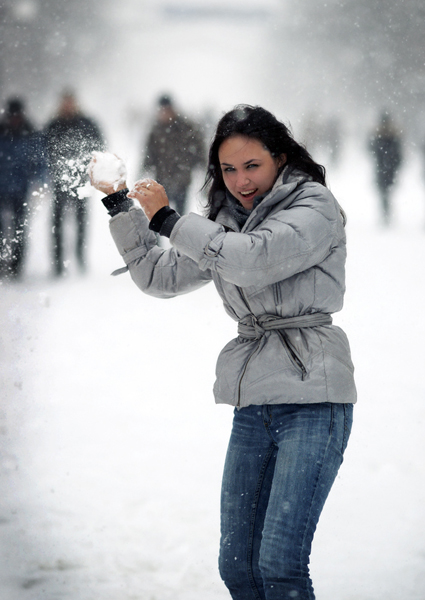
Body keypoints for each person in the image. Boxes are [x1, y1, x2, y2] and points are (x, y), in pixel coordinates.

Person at [90, 105, 356, 600]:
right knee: (237, 567)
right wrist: (121, 206)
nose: (240, 181)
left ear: (280, 157)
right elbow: (158, 276)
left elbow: (253, 260)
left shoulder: (313, 206)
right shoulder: (227, 223)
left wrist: (171, 220)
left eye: (252, 165)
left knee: (280, 566)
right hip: (253, 404)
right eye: (229, 169)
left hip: (315, 399)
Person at [44, 90, 105, 276]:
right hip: (59, 181)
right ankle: (57, 262)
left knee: (81, 223)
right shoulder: (54, 125)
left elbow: (100, 147)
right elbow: (42, 150)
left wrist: (94, 170)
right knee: (57, 224)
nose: (68, 106)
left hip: (81, 182)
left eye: (70, 102)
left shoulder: (87, 123)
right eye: (65, 102)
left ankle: (80, 257)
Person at [0, 97, 44, 279]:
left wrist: (40, 182)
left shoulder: (31, 132)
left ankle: (17, 265)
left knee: (20, 228)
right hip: (2, 187)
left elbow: (40, 161)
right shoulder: (3, 132)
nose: (15, 119)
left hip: (22, 188)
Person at [142, 94, 206, 214]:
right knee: (161, 215)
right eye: (162, 110)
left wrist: (201, 165)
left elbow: (199, 149)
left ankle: (178, 233)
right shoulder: (156, 131)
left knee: (180, 217)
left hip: (182, 181)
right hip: (162, 181)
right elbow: (149, 155)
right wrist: (143, 172)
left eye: (167, 110)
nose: (164, 113)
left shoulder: (186, 127)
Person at [369, 111, 402, 225]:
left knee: (384, 191)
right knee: (385, 191)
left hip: (384, 168)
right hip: (386, 168)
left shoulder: (380, 134)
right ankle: (386, 212)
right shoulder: (392, 135)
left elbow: (372, 149)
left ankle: (386, 212)